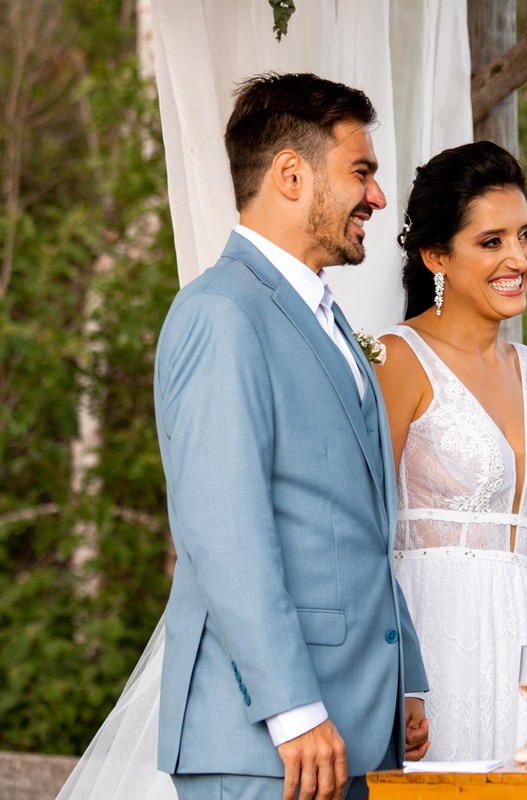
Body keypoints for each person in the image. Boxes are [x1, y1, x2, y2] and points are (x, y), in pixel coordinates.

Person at [59, 73, 430, 800]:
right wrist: (292, 710)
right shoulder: (220, 313)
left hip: (357, 726)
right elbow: (223, 532)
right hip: (269, 743)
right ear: (291, 174)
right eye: (361, 172)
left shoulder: (327, 322)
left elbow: (360, 525)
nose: (378, 198)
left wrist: (405, 677)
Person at [374, 141, 527, 761]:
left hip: (523, 656)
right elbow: (365, 534)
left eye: (525, 235)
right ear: (436, 256)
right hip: (432, 649)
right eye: (491, 241)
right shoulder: (397, 360)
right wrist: (402, 680)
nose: (518, 258)